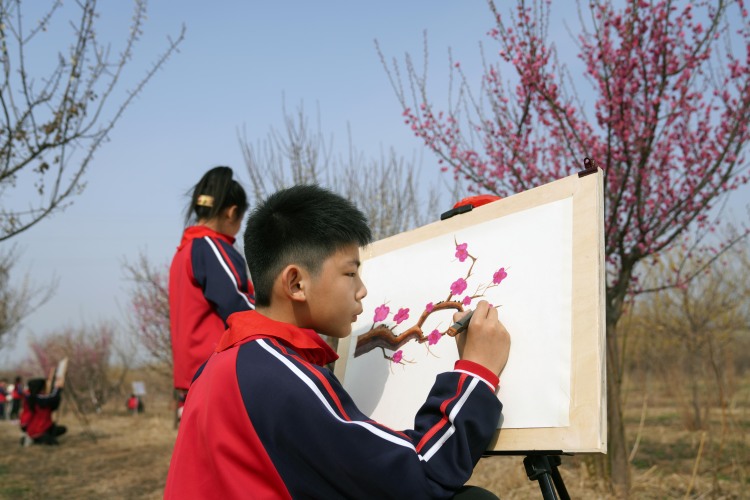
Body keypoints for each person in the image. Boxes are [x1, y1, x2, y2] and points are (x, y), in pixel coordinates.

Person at [165, 185, 512, 499]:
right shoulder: (280, 377)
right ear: (297, 284)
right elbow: (418, 475)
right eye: (350, 273)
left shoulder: (224, 364)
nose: (362, 290)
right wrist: (477, 372)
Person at [169, 166, 255, 396]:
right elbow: (236, 303)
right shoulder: (210, 247)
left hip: (194, 374)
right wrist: (284, 319)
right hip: (215, 372)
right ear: (231, 212)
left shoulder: (184, 250)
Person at [20, 378, 66, 446]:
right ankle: (34, 439)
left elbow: (53, 402)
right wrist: (57, 388)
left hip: (45, 426)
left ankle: (43, 436)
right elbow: (52, 398)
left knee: (61, 429)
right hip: (36, 429)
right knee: (53, 443)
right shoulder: (34, 398)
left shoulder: (35, 397)